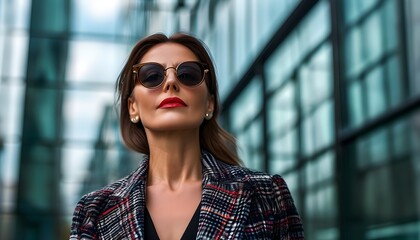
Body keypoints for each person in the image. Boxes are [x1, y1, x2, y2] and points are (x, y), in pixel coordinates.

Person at [69, 32, 304, 240]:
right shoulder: (94, 210)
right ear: (133, 108)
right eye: (152, 76)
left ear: (209, 104)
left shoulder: (266, 194)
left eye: (188, 74)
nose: (171, 82)